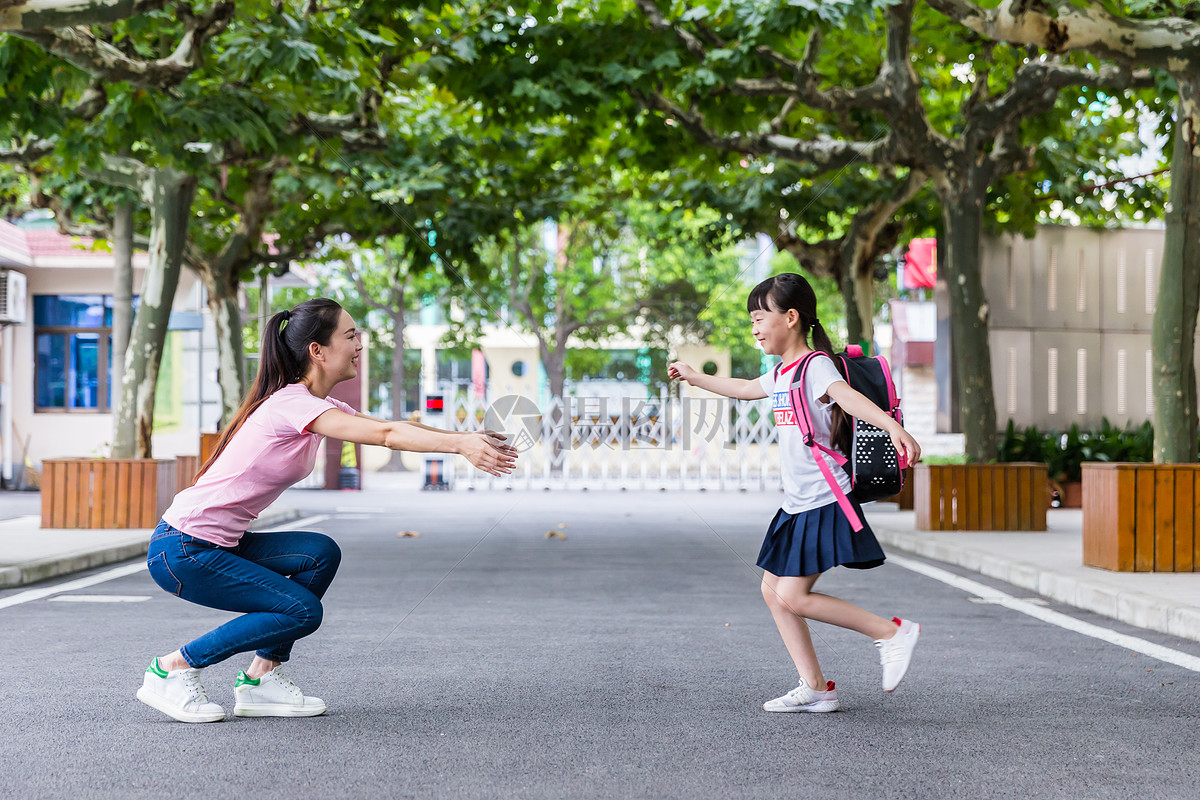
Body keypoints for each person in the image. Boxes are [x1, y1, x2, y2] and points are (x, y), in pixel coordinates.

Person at [137, 298, 517, 723]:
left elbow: (393, 426)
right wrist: (461, 446)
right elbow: (387, 436)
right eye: (350, 336)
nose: (359, 346)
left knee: (319, 552)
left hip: (217, 544)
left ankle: (260, 680)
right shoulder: (292, 405)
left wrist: (467, 436)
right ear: (317, 350)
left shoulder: (317, 406)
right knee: (301, 610)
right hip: (184, 550)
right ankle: (174, 668)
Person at [667, 273, 922, 713]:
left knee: (792, 595)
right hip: (797, 504)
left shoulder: (815, 366)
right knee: (774, 592)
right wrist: (695, 378)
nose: (754, 327)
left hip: (825, 500)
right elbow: (745, 390)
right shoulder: (782, 373)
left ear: (790, 317)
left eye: (759, 317)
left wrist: (894, 427)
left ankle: (891, 632)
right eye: (752, 319)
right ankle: (816, 687)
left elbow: (847, 397)